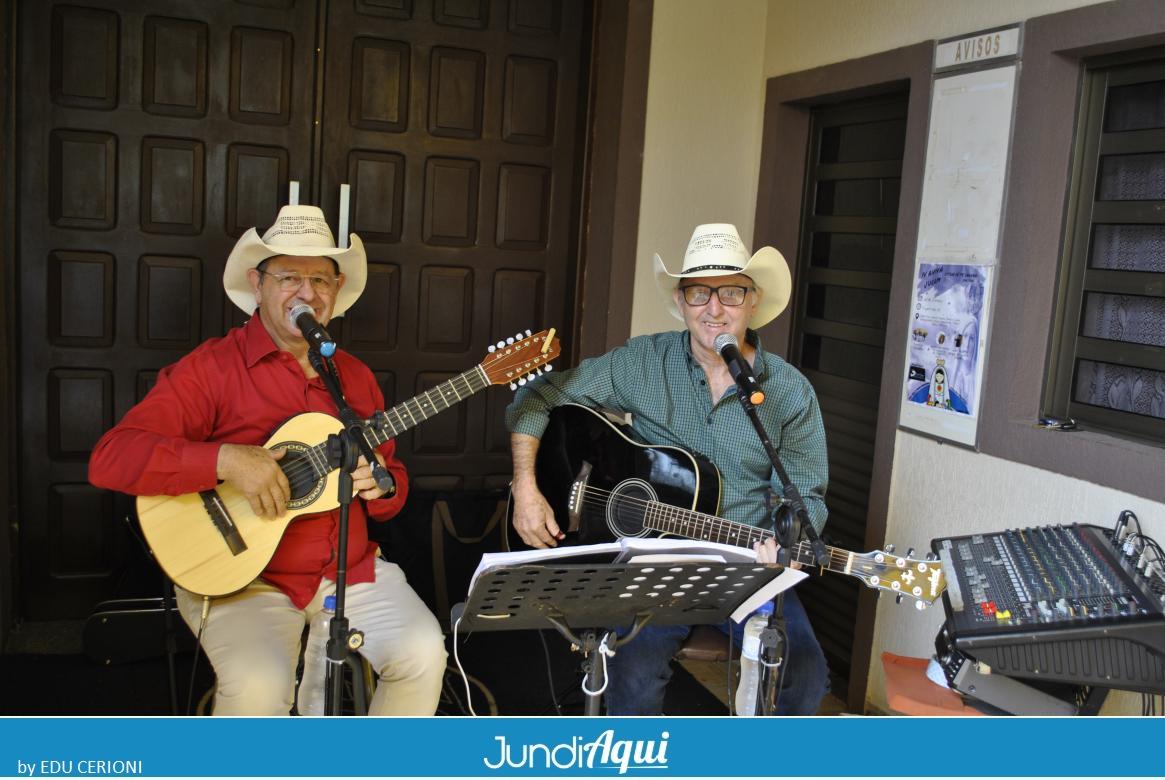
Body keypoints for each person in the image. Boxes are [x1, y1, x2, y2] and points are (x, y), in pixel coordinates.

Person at [89, 205, 446, 715]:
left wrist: (382, 485)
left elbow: (392, 485)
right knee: (259, 686)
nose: (307, 293)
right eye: (290, 277)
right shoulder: (211, 369)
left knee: (423, 653)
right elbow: (111, 458)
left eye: (320, 279)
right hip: (242, 579)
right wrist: (226, 460)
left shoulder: (355, 377)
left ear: (337, 289)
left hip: (346, 571)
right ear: (258, 284)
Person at [506, 223, 830, 715]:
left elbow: (807, 493)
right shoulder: (643, 362)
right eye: (699, 292)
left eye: (731, 292)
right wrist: (527, 486)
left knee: (803, 675)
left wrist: (787, 544)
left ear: (753, 301)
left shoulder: (788, 391)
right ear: (681, 302)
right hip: (656, 564)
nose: (715, 308)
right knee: (632, 673)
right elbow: (539, 396)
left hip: (750, 564)